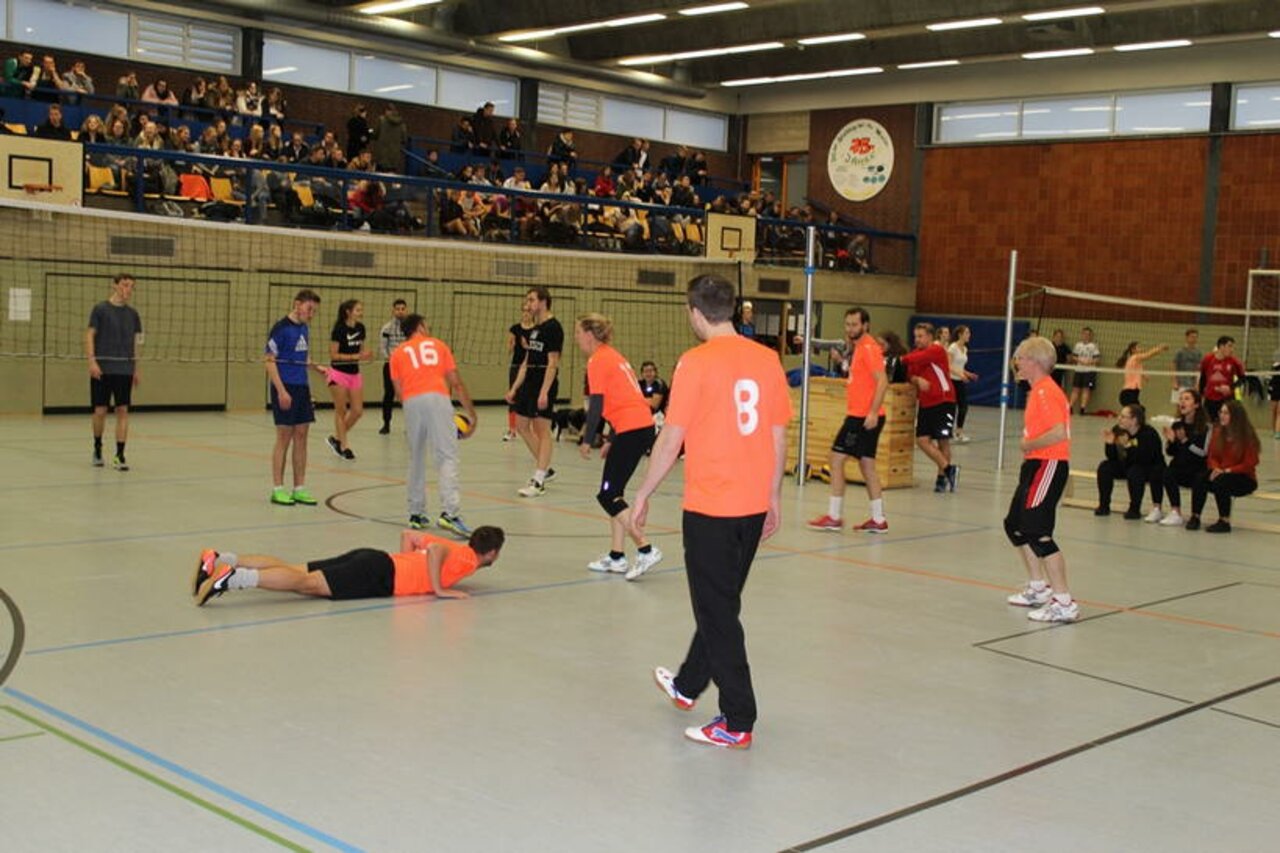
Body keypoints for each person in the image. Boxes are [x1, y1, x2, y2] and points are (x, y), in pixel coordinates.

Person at [631, 274, 792, 749]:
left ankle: (737, 719)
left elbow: (671, 438)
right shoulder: (767, 359)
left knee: (718, 612)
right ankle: (687, 685)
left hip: (712, 507)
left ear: (695, 312)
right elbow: (778, 435)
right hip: (751, 505)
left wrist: (642, 493)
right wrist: (774, 496)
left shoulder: (694, 363)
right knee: (720, 602)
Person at [193, 526, 504, 606]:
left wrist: (406, 564)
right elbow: (434, 550)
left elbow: (410, 535)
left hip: (379, 560)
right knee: (307, 585)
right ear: (491, 553)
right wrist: (438, 589)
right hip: (379, 574)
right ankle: (233, 579)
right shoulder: (468, 560)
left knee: (296, 572)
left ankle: (218, 558)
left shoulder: (461, 550)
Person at [573, 314, 663, 579]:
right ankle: (617, 557)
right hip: (636, 426)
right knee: (616, 493)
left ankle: (645, 549)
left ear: (590, 334)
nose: (576, 337)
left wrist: (588, 439)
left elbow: (598, 405)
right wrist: (612, 439)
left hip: (632, 429)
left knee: (607, 495)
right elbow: (625, 398)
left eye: (578, 332)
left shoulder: (598, 360)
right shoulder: (615, 356)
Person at [1004, 336, 1078, 623]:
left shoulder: (1047, 392)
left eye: (1020, 358)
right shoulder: (1037, 391)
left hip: (1048, 464)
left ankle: (1063, 601)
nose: (1017, 363)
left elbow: (1060, 433)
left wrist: (1029, 444)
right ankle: (1038, 588)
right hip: (1035, 465)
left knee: (1037, 530)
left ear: (1033, 361)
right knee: (1015, 525)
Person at [389, 313, 477, 535]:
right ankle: (450, 513)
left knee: (416, 456)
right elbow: (456, 383)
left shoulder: (397, 354)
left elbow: (398, 392)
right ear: (420, 327)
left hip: (411, 401)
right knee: (447, 455)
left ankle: (416, 512)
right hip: (437, 397)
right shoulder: (438, 345)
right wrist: (471, 414)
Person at [808, 308, 890, 533]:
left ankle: (834, 516)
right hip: (861, 414)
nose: (850, 329)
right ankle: (878, 518)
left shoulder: (869, 348)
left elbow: (882, 382)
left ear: (866, 325)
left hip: (862, 417)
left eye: (855, 324)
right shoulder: (860, 348)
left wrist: (872, 413)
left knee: (835, 459)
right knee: (867, 466)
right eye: (847, 324)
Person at [265, 289, 321, 506]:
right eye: (309, 309)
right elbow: (269, 361)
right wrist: (281, 391)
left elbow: (303, 357)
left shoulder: (304, 328)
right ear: (297, 304)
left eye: (314, 310)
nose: (311, 313)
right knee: (284, 437)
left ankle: (299, 487)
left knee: (302, 436)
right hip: (285, 386)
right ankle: (278, 489)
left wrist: (317, 368)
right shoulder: (281, 329)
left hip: (302, 387)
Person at [505, 287, 562, 497]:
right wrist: (514, 388)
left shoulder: (553, 327)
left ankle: (538, 480)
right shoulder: (536, 328)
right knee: (521, 425)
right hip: (528, 383)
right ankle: (545, 467)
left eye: (531, 299)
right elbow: (527, 361)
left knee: (542, 430)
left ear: (543, 301)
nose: (528, 303)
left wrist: (544, 392)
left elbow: (553, 361)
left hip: (543, 384)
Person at [86, 274, 142, 471]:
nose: (128, 290)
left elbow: (135, 342)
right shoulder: (100, 309)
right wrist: (92, 361)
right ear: (115, 285)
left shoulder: (133, 314)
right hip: (102, 368)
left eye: (131, 287)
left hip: (124, 369)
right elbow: (90, 335)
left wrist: (135, 368)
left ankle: (119, 454)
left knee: (122, 411)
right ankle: (98, 448)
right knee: (100, 411)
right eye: (125, 285)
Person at [1186, 400, 1260, 534]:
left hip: (1243, 477)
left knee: (1222, 482)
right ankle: (1195, 516)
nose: (1222, 416)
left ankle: (1224, 521)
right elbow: (1212, 456)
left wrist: (1227, 471)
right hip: (1221, 472)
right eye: (1221, 412)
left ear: (1235, 416)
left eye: (1226, 413)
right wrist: (1216, 468)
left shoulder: (1247, 436)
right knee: (1200, 478)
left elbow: (1250, 463)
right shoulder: (1218, 432)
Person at [901, 322, 959, 492]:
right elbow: (909, 373)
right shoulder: (916, 354)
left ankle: (941, 478)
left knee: (943, 441)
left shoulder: (936, 350)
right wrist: (915, 380)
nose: (917, 339)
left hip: (944, 401)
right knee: (922, 440)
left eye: (920, 336)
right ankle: (948, 468)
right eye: (915, 336)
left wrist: (899, 358)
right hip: (926, 403)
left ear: (930, 337)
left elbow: (912, 360)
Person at [1094, 404, 1164, 520]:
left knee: (1135, 471)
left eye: (1123, 417)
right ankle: (1104, 505)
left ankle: (1134, 508)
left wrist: (1127, 446)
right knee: (1105, 467)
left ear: (1134, 420)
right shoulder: (1118, 430)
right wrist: (1110, 444)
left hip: (1148, 468)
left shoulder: (1148, 434)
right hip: (1127, 465)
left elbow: (1144, 459)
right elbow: (1112, 457)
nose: (1119, 419)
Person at [1154, 388, 1211, 527]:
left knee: (1200, 479)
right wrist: (1172, 442)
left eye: (1187, 399)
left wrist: (1185, 440)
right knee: (1167, 472)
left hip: (1198, 468)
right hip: (1181, 467)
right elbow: (1171, 453)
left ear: (1196, 404)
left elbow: (1203, 453)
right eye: (1181, 399)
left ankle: (1195, 516)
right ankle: (1175, 512)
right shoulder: (1177, 425)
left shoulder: (1205, 427)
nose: (1182, 402)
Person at [324, 300, 372, 461]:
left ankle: (337, 439)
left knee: (357, 411)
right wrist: (355, 356)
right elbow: (334, 355)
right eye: (358, 309)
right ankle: (344, 446)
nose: (361, 312)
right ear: (348, 312)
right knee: (341, 410)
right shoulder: (339, 329)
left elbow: (361, 350)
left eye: (361, 309)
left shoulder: (360, 328)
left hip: (354, 373)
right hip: (338, 372)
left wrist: (366, 355)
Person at [377, 299, 409, 435]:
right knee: (389, 395)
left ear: (406, 310)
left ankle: (410, 425)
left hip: (408, 367)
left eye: (402, 309)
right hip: (390, 366)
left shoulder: (411, 329)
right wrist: (392, 359)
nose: (400, 311)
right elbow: (383, 348)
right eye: (398, 309)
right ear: (393, 310)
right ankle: (386, 424)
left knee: (409, 397)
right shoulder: (387, 328)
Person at [1198, 335, 1245, 421]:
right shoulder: (1208, 359)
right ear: (1221, 346)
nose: (1232, 349)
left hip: (1226, 399)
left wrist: (1230, 387)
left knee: (1226, 424)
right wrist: (1200, 396)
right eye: (1229, 346)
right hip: (1210, 399)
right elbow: (1203, 379)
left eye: (1232, 347)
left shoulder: (1234, 362)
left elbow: (1242, 379)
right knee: (1209, 424)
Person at [503, 309, 534, 441]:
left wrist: (527, 346)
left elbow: (537, 350)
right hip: (516, 366)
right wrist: (511, 345)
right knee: (513, 397)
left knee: (530, 397)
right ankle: (512, 430)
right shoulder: (515, 328)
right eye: (524, 312)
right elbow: (509, 348)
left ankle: (530, 428)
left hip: (531, 367)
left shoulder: (536, 330)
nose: (526, 314)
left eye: (528, 312)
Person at [947, 324, 979, 443]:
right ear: (960, 334)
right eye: (967, 333)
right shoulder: (952, 348)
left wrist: (968, 374)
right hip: (951, 381)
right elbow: (948, 366)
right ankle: (948, 432)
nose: (969, 335)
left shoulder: (965, 349)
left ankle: (959, 432)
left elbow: (960, 366)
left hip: (960, 381)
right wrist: (960, 375)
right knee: (951, 407)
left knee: (963, 407)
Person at [1116, 341, 1168, 406]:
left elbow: (1138, 370)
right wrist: (1160, 348)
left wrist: (1144, 376)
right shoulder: (1135, 357)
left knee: (1138, 411)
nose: (1141, 349)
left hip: (1129, 393)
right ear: (1133, 350)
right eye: (1138, 347)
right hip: (1129, 393)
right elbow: (1149, 354)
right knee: (1137, 411)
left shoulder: (1132, 360)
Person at [1067, 327, 1100, 415]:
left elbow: (1097, 359)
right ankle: (1070, 407)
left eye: (1088, 334)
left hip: (1089, 371)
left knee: (1086, 389)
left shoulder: (1093, 346)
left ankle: (1082, 409)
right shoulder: (1078, 345)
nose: (1086, 336)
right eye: (1084, 334)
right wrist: (1080, 361)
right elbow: (1074, 356)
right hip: (1079, 370)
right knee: (1075, 389)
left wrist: (1090, 362)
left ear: (1091, 336)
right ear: (1082, 335)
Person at [1172, 328, 1202, 395]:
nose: (1194, 339)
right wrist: (1174, 382)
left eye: (1196, 337)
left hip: (1192, 384)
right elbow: (1174, 366)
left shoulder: (1198, 353)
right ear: (1186, 337)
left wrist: (1197, 383)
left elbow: (1199, 368)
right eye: (1192, 337)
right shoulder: (1180, 352)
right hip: (1181, 383)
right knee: (1179, 403)